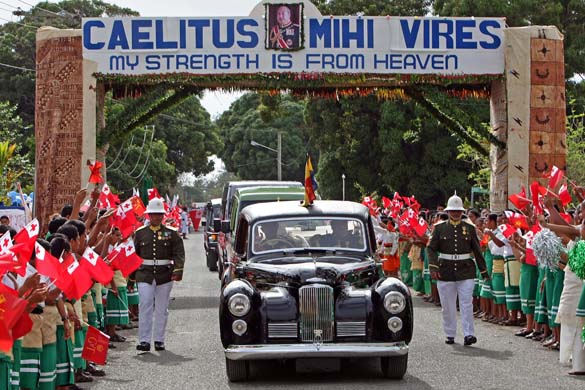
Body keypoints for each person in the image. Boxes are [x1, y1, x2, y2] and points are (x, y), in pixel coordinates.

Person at [427, 193, 489, 346]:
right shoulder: (439, 228)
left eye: (458, 211)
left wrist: (484, 271)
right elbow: (431, 248)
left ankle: (469, 334)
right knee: (447, 305)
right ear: (447, 212)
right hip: (445, 270)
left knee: (466, 302)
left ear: (462, 212)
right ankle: (450, 333)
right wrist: (434, 266)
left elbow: (477, 249)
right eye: (453, 211)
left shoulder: (469, 228)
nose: (455, 213)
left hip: (465, 270)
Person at [133, 198, 185, 352]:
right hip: (144, 273)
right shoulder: (140, 233)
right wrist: (131, 275)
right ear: (148, 215)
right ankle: (144, 341)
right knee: (145, 305)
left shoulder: (171, 233)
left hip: (164, 274)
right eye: (153, 214)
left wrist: (178, 270)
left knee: (162, 308)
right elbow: (135, 255)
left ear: (163, 215)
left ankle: (159, 340)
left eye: (159, 214)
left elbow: (179, 253)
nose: (156, 217)